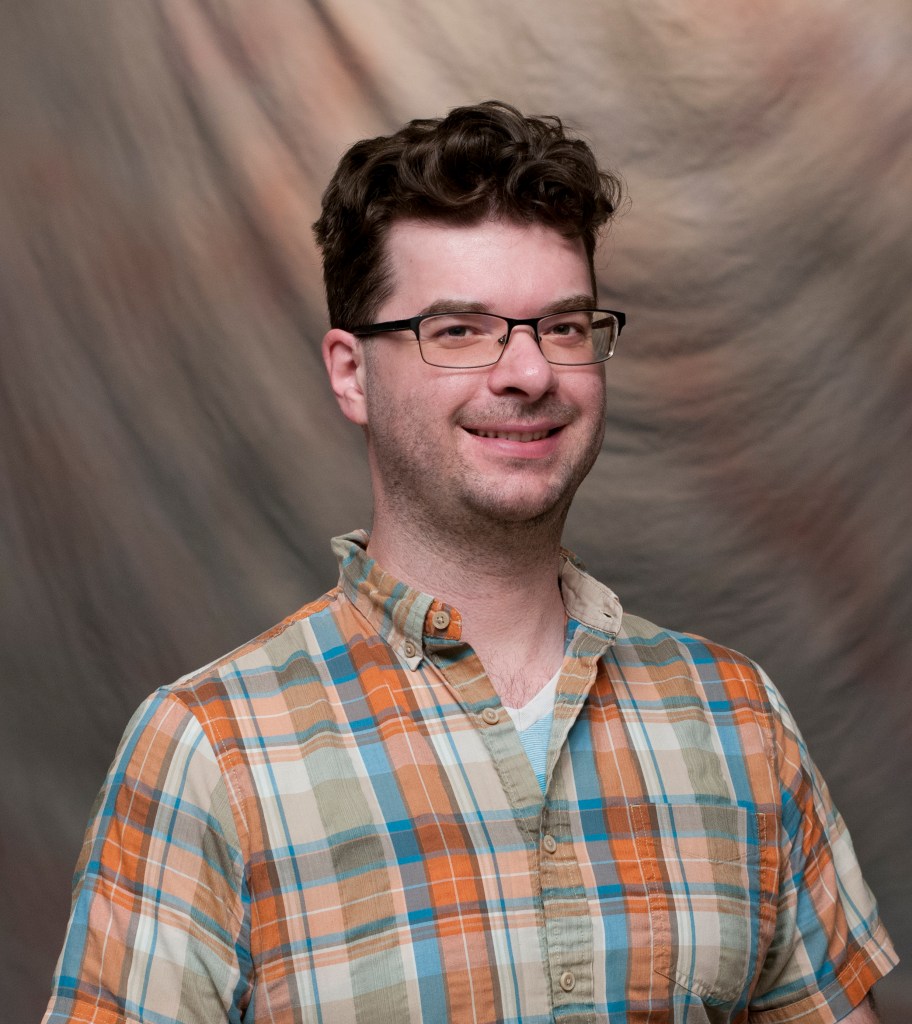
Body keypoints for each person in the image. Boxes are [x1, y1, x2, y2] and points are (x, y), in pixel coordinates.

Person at [43, 101, 896, 1024]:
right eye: (458, 331)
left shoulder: (736, 723)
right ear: (349, 372)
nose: (528, 373)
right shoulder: (211, 752)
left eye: (563, 327)